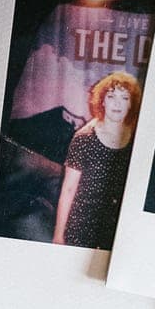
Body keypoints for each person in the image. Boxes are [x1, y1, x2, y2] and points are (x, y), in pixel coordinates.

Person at [54, 70, 139, 249]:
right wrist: (58, 235)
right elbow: (68, 189)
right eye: (111, 96)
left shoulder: (137, 139)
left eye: (124, 98)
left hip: (117, 230)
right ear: (102, 101)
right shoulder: (83, 138)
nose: (117, 103)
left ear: (131, 104)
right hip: (82, 229)